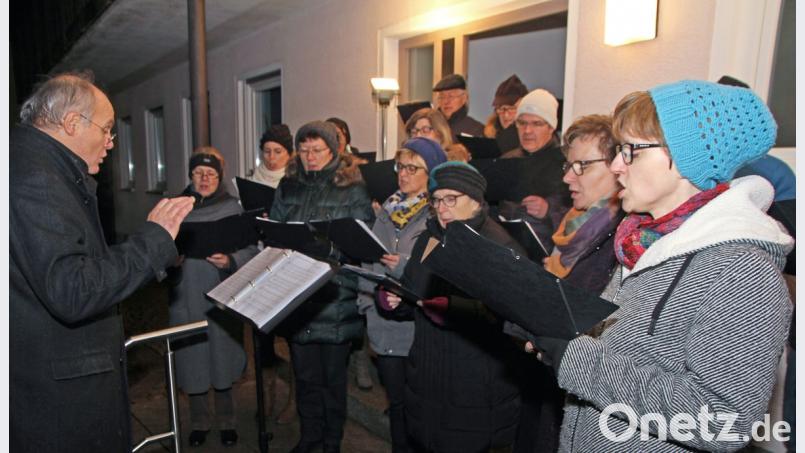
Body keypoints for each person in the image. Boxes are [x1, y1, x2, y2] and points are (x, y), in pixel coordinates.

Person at [531, 80, 793, 451]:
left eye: (630, 151)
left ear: (686, 158)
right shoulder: (642, 243)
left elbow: (724, 421)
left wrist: (580, 363)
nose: (617, 165)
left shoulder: (742, 270)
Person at [10, 71, 194, 452]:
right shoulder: (37, 179)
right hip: (59, 401)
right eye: (107, 129)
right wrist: (153, 241)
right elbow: (72, 289)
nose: (111, 142)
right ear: (73, 122)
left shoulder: (34, 164)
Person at [382, 162, 523, 453]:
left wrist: (451, 309)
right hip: (428, 374)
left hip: (473, 383)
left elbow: (511, 319)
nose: (442, 208)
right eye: (436, 200)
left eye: (451, 199)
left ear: (475, 200)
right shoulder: (429, 238)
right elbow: (414, 293)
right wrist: (394, 300)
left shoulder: (498, 246)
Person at [512, 114, 624, 453]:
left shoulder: (624, 238)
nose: (567, 177)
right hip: (549, 379)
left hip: (587, 401)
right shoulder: (574, 223)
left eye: (582, 166)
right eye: (568, 165)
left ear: (618, 165)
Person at [270, 120, 374, 453]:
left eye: (317, 150)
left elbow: (364, 243)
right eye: (303, 150)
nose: (310, 157)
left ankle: (332, 441)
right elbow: (274, 233)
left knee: (333, 380)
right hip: (298, 294)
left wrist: (332, 251)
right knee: (305, 378)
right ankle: (310, 436)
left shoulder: (352, 188)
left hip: (335, 294)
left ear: (334, 151)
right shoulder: (288, 187)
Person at [356, 137, 447, 453]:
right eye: (401, 166)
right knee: (396, 405)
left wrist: (404, 266)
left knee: (420, 409)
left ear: (430, 172)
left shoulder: (437, 216)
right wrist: (367, 304)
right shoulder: (387, 210)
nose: (403, 174)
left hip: (417, 329)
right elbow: (369, 261)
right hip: (383, 326)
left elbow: (438, 270)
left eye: (413, 167)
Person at [169, 147, 258, 447]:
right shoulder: (175, 208)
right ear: (190, 175)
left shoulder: (234, 208)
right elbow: (156, 251)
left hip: (221, 293)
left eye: (211, 174)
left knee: (223, 357)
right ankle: (199, 422)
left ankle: (227, 421)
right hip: (186, 292)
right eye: (198, 173)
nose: (205, 179)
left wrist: (230, 261)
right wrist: (171, 260)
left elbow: (251, 251)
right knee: (192, 358)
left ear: (220, 177)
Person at [498, 88, 571, 251]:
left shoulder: (567, 164)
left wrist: (548, 210)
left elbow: (580, 219)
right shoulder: (507, 160)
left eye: (537, 123)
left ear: (551, 127)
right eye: (522, 123)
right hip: (506, 250)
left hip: (547, 257)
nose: (527, 131)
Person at [484, 74, 528, 153]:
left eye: (512, 108)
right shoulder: (488, 135)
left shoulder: (531, 140)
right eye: (501, 109)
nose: (506, 115)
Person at [432, 74, 484, 139]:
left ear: (464, 98)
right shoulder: (431, 125)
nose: (446, 101)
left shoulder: (476, 129)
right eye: (442, 97)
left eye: (451, 96)